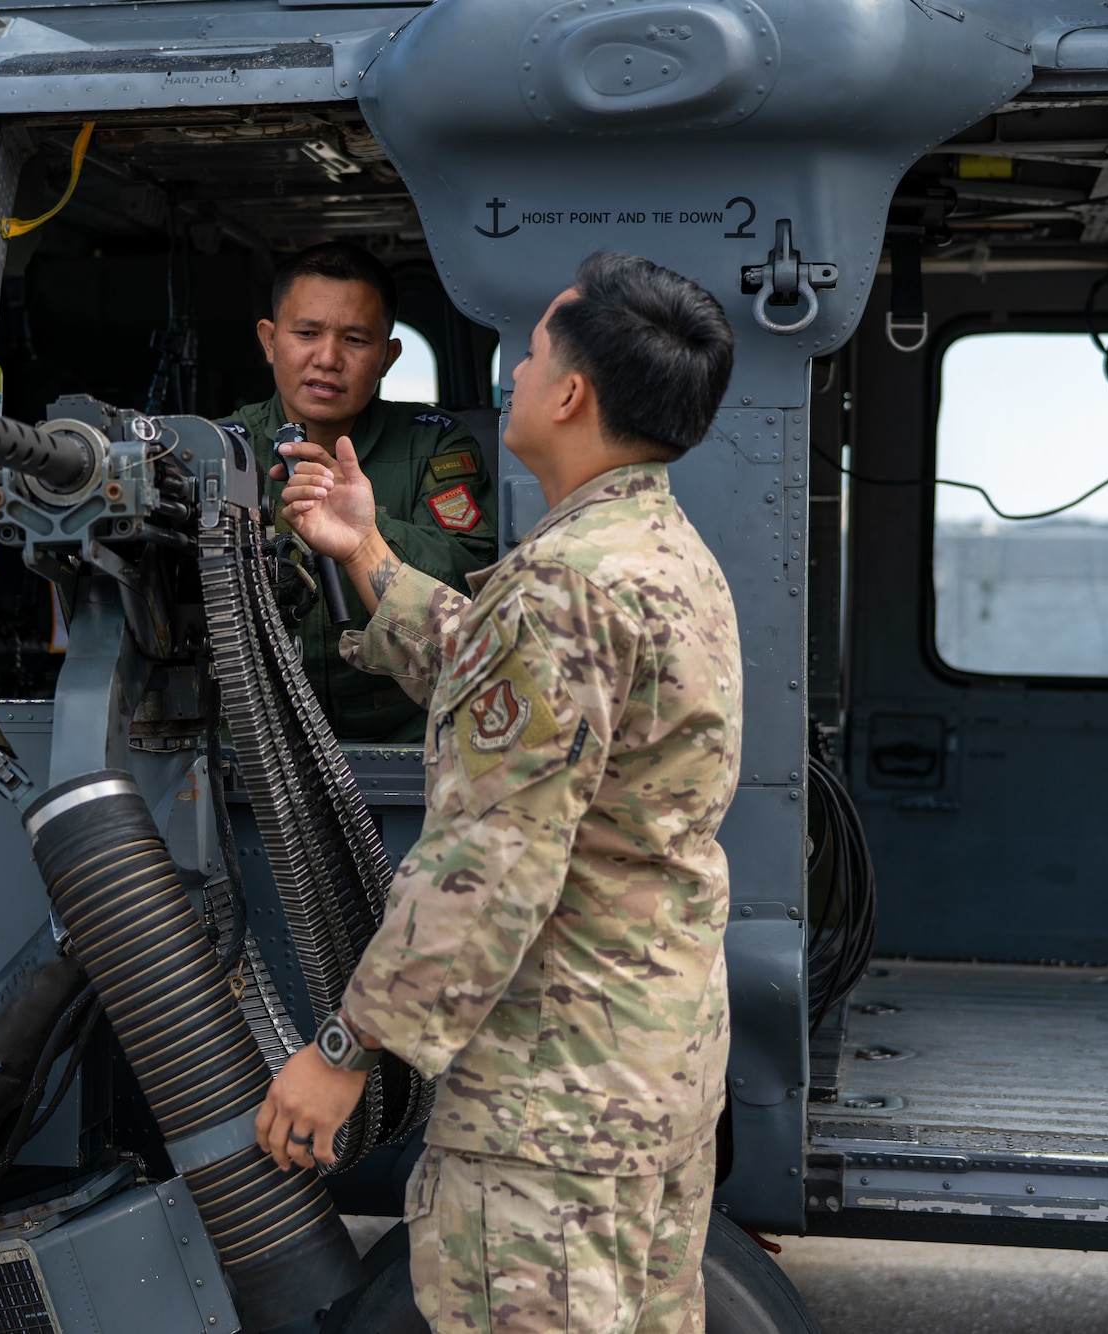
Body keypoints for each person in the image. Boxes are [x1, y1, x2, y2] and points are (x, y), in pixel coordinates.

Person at [254, 251, 742, 1333]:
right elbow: (509, 683)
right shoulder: (658, 552)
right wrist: (366, 550)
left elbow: (489, 865)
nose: (513, 376)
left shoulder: (563, 586)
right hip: (649, 1070)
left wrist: (345, 1048)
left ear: (570, 394)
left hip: (549, 1103)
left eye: (527, 357)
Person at [223, 241, 497, 744]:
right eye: (306, 333)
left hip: (410, 735)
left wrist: (368, 534)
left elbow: (472, 575)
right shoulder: (221, 450)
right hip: (262, 744)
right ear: (269, 340)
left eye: (354, 339)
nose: (327, 359)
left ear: (388, 356)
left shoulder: (432, 441)